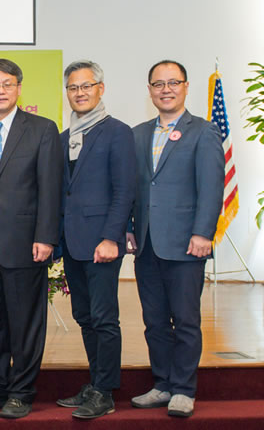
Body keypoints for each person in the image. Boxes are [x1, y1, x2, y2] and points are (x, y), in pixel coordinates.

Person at [0, 58, 64, 419]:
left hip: (25, 243)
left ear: (19, 88)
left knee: (25, 322)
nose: (0, 91)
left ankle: (22, 391)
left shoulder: (42, 129)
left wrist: (46, 236)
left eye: (7, 84)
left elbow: (51, 187)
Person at [126, 60, 224, 418]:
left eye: (173, 82)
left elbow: (212, 187)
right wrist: (127, 227)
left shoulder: (204, 131)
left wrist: (203, 233)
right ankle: (163, 383)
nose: (165, 90)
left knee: (185, 320)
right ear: (149, 90)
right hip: (146, 243)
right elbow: (131, 188)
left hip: (186, 244)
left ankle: (183, 388)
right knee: (154, 321)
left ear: (185, 87)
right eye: (158, 84)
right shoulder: (137, 134)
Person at [55, 60, 135, 419]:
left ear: (100, 89)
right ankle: (95, 382)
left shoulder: (117, 132)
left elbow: (124, 190)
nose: (79, 93)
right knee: (84, 316)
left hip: (102, 243)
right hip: (73, 243)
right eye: (73, 87)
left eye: (86, 86)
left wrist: (111, 237)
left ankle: (105, 391)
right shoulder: (64, 138)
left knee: (104, 318)